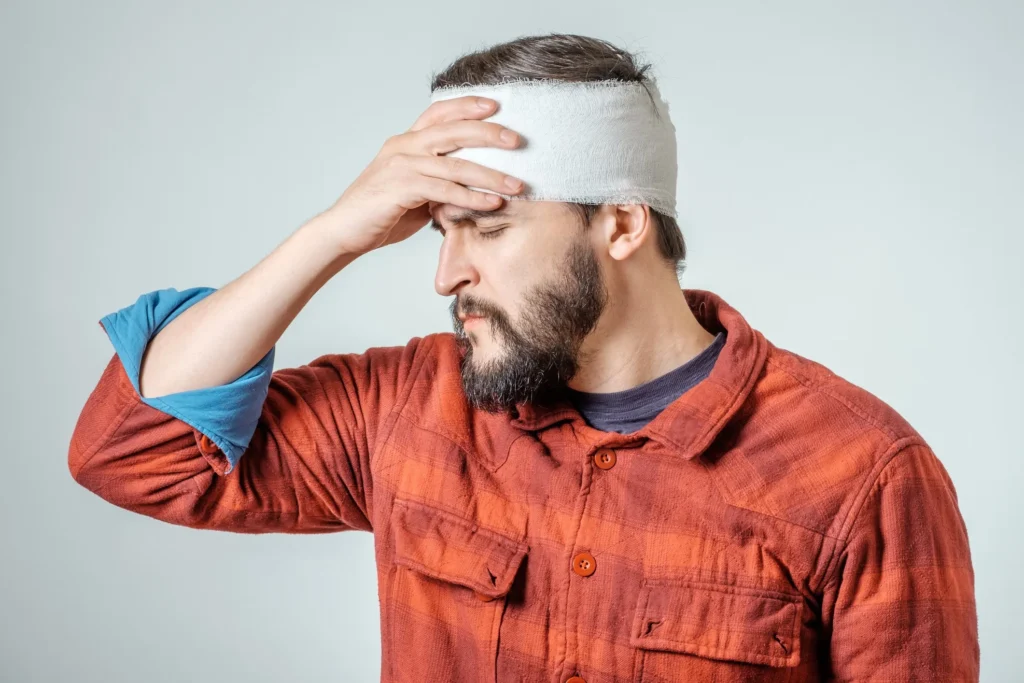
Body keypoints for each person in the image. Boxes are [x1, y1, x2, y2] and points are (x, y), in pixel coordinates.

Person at [68, 33, 979, 682]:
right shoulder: (408, 407)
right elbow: (133, 451)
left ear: (620, 224)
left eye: (490, 228)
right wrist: (333, 234)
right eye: (440, 229)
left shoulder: (860, 474)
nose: (445, 274)